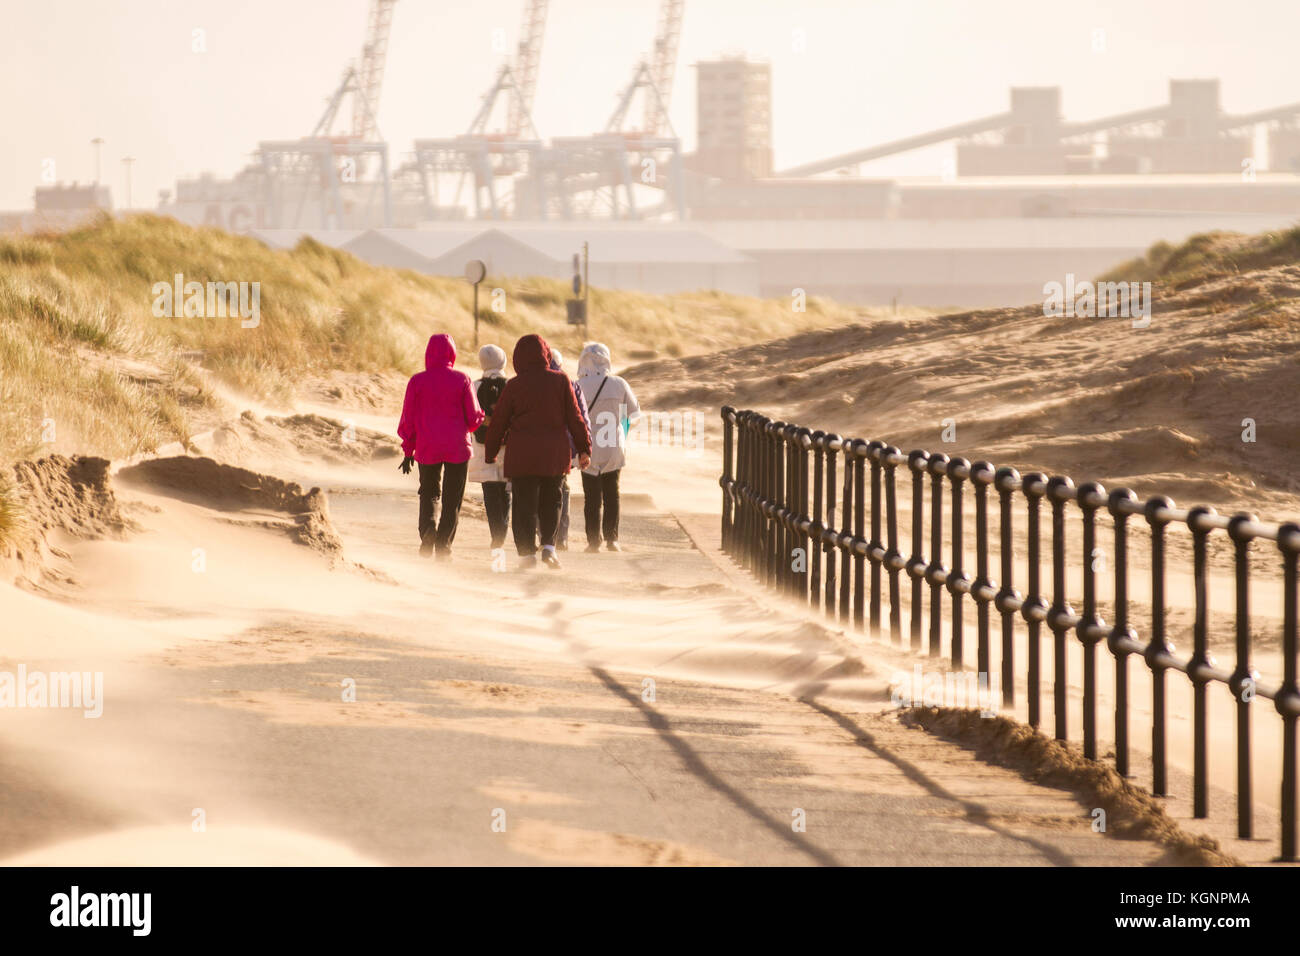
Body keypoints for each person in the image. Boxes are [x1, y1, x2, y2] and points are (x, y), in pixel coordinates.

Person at [484, 334, 591, 570]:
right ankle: (549, 548)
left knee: (523, 503)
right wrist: (584, 449)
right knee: (551, 501)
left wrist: (491, 452)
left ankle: (525, 554)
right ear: (546, 354)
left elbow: (499, 422)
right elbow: (576, 418)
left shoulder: (514, 385)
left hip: (522, 456)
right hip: (554, 455)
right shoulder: (561, 381)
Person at [397, 333, 484, 560]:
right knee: (452, 498)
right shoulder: (462, 379)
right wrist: (480, 418)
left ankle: (428, 531)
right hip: (457, 447)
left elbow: (408, 419)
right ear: (452, 354)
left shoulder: (417, 381)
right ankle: (444, 545)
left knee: (429, 493)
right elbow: (473, 418)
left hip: (427, 447)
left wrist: (408, 450)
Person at [576, 342, 641, 553]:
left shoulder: (578, 386)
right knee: (612, 493)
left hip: (588, 448)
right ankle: (613, 539)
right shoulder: (619, 384)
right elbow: (634, 415)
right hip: (613, 446)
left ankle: (593, 541)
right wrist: (622, 428)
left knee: (591, 497)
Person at [467, 344, 510, 556]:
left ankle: (497, 535)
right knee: (506, 491)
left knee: (490, 492)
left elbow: (470, 417)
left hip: (482, 448)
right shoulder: (511, 384)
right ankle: (504, 527)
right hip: (508, 446)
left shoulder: (474, 386)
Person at [547, 347, 590, 551]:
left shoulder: (533, 382)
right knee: (561, 487)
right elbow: (582, 418)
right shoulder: (572, 384)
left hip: (539, 446)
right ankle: (561, 537)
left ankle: (543, 535)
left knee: (540, 488)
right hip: (566, 448)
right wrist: (584, 448)